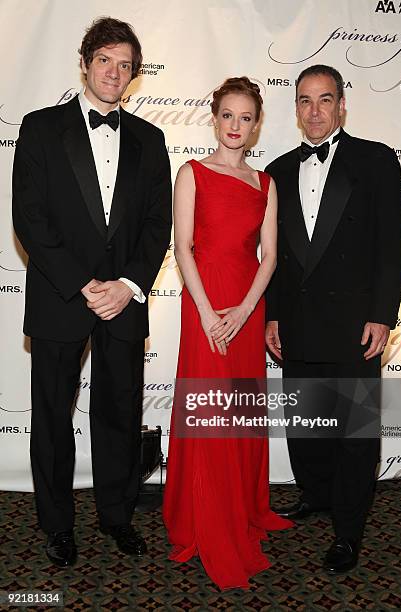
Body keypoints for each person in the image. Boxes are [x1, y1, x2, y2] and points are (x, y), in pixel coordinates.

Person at [12, 17, 172, 567]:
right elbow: (29, 219)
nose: (115, 72)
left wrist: (127, 286)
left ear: (134, 75)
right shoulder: (39, 127)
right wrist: (85, 285)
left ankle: (116, 515)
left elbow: (158, 225)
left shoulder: (152, 141)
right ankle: (57, 525)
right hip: (61, 297)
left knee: (120, 413)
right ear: (84, 64)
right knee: (53, 415)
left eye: (126, 64)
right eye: (106, 59)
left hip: (124, 302)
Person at [265, 64, 401, 574]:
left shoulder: (376, 160)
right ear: (296, 108)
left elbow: (392, 248)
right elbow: (276, 256)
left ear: (342, 106)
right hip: (298, 323)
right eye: (305, 101)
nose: (315, 111)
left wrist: (382, 316)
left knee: (354, 433)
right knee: (305, 424)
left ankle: (349, 530)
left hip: (354, 325)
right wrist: (273, 316)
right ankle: (316, 496)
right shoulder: (278, 171)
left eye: (325, 100)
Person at [162, 77, 293, 590]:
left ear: (255, 124)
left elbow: (271, 256)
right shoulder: (191, 173)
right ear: (213, 117)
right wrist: (210, 313)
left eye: (246, 118)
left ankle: (241, 509)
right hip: (204, 307)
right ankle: (203, 519)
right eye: (227, 116)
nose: (235, 126)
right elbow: (182, 247)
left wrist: (244, 311)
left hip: (246, 306)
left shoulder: (266, 184)